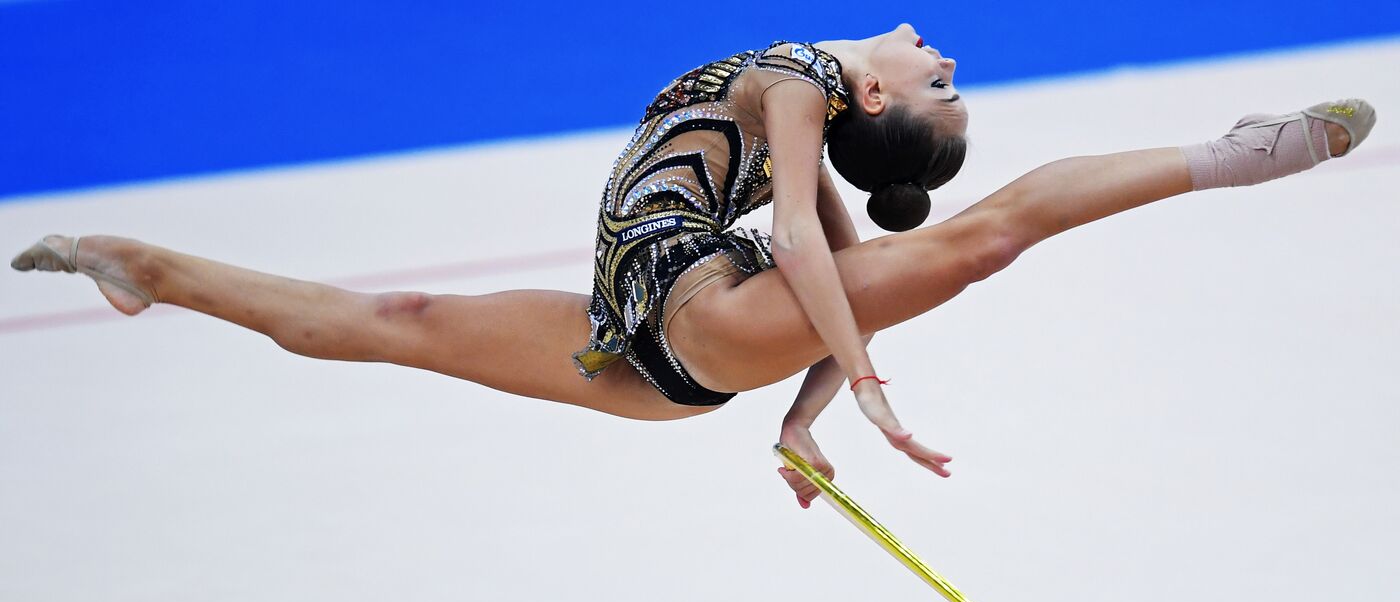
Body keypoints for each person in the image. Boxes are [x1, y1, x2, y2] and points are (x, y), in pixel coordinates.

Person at [11, 24, 1375, 510]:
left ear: (875, 109)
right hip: (646, 342)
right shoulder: (815, 91)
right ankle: (144, 263)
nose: (944, 60)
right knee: (396, 319)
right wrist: (801, 418)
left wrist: (854, 390)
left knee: (984, 239)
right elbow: (819, 271)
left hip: (694, 317)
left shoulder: (798, 80)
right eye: (952, 82)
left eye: (943, 87)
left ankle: (1248, 151)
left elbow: (801, 242)